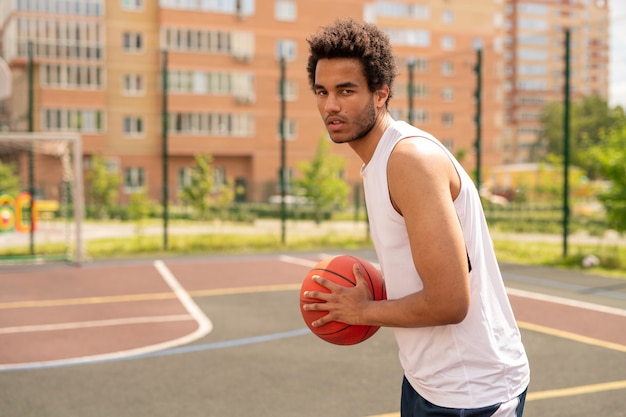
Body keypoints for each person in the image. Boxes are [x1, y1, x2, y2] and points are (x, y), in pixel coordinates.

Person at [302, 18, 530, 417]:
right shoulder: (379, 161)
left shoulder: (409, 161)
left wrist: (361, 311)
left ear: (380, 94)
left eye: (346, 90)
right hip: (429, 380)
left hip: (471, 393)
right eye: (322, 92)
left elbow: (449, 302)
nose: (330, 105)